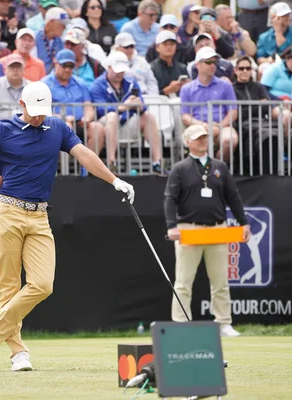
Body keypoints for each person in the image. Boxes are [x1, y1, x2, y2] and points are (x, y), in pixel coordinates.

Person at [0, 81, 135, 372]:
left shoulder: (57, 128)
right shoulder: (3, 129)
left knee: (42, 284)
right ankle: (18, 354)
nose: (39, 117)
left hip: (39, 216)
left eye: (43, 112)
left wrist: (115, 180)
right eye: (34, 111)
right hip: (7, 212)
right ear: (22, 105)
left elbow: (84, 155)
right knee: (9, 285)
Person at [164, 124, 250, 338]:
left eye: (204, 138)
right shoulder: (180, 169)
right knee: (183, 281)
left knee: (221, 281)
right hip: (188, 230)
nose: (202, 141)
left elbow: (234, 197)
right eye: (197, 138)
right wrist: (171, 226)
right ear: (187, 142)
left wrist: (243, 222)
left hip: (217, 229)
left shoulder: (219, 166)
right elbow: (170, 199)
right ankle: (181, 323)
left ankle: (223, 323)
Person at [90, 51, 163, 174]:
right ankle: (111, 162)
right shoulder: (97, 85)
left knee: (149, 117)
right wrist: (122, 107)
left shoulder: (131, 83)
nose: (120, 74)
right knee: (112, 116)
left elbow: (142, 108)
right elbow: (99, 109)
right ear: (108, 67)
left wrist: (139, 106)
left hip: (127, 122)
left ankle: (158, 162)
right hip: (105, 123)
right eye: (117, 70)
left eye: (122, 71)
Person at [180, 47, 238, 164]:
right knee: (196, 138)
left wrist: (219, 126)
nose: (212, 65)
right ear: (198, 65)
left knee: (230, 139)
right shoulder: (187, 88)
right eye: (208, 62)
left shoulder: (225, 85)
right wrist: (204, 126)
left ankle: (215, 166)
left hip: (222, 126)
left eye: (214, 62)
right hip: (198, 126)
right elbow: (185, 116)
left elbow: (233, 112)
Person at [42, 49, 105, 154]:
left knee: (97, 128)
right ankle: (62, 169)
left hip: (80, 123)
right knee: (65, 127)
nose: (67, 69)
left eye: (70, 66)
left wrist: (87, 118)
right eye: (64, 65)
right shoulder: (45, 84)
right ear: (56, 63)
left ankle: (87, 168)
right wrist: (61, 118)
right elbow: (42, 111)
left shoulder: (80, 83)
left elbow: (88, 106)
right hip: (55, 124)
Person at [34, 7, 69, 73]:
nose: (65, 27)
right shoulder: (34, 38)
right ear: (51, 22)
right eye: (62, 24)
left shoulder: (61, 41)